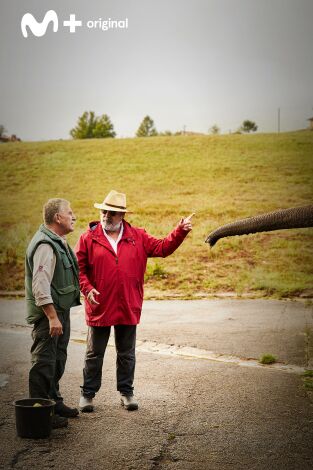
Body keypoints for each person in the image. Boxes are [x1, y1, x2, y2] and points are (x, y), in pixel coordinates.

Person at [75, 190, 194, 412]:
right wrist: (88, 288)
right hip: (99, 305)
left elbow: (162, 248)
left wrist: (180, 231)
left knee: (126, 353)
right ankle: (87, 395)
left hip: (128, 303)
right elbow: (78, 269)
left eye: (112, 213)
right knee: (94, 353)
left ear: (122, 216)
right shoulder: (87, 238)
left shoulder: (137, 236)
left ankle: (126, 393)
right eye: (104, 212)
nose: (106, 216)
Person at [25, 198, 81, 428]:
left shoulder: (58, 240)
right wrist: (52, 317)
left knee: (57, 360)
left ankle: (54, 402)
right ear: (58, 218)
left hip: (59, 312)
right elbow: (40, 285)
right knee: (44, 363)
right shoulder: (46, 245)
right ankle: (39, 415)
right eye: (70, 212)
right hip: (49, 316)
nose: (74, 216)